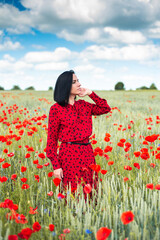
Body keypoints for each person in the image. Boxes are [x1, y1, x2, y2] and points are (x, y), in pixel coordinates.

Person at [46, 70, 111, 203]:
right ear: (65, 86)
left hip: (87, 152)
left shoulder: (84, 106)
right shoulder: (56, 109)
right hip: (68, 154)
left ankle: (91, 217)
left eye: (78, 81)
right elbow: (51, 141)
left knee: (90, 190)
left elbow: (105, 108)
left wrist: (90, 93)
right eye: (74, 82)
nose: (79, 84)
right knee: (72, 192)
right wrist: (56, 166)